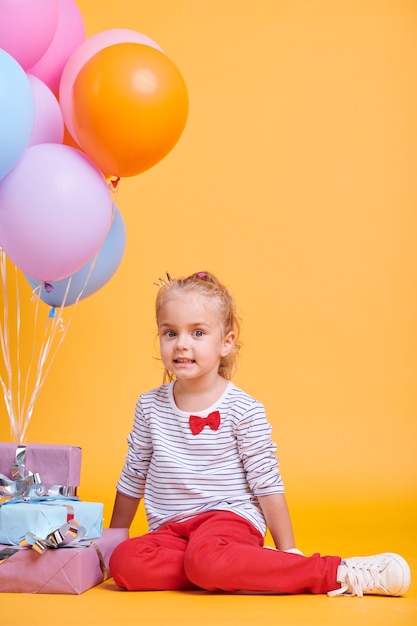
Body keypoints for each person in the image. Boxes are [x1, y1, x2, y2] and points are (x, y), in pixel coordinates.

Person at [109, 271, 411, 597]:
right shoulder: (149, 405)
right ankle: (240, 568)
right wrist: (113, 536)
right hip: (172, 529)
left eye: (197, 332)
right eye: (170, 333)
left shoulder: (243, 409)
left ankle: (337, 573)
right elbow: (134, 473)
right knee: (125, 563)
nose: (182, 343)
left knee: (207, 557)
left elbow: (267, 485)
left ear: (226, 342)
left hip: (229, 520)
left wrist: (288, 551)